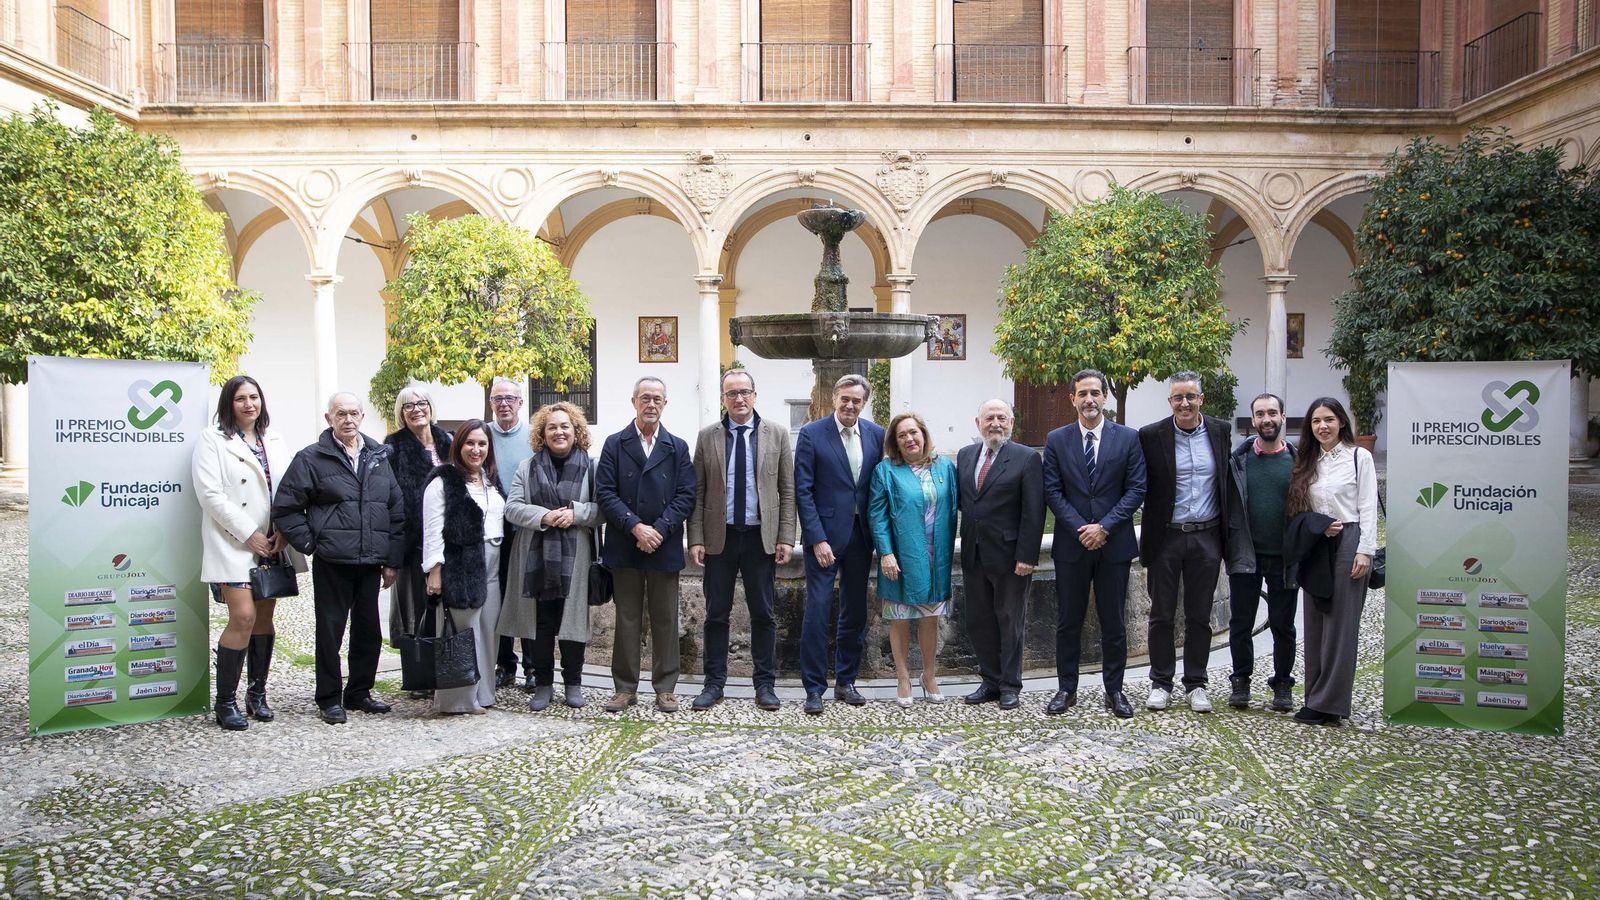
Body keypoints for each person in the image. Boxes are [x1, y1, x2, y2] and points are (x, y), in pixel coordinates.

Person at [272, 393, 405, 725]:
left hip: (371, 560)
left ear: (362, 416)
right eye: (341, 413)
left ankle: (359, 692)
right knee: (330, 632)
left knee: (369, 631)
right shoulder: (311, 458)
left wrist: (391, 559)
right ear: (329, 418)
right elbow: (286, 508)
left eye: (354, 413)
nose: (349, 419)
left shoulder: (378, 456)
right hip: (333, 560)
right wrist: (312, 542)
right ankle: (329, 698)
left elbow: (396, 509)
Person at [193, 375, 305, 730]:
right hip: (233, 540)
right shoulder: (213, 440)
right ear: (229, 403)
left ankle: (257, 695)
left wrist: (284, 531)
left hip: (272, 541)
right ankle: (224, 701)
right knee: (241, 617)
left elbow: (289, 488)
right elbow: (211, 495)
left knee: (264, 619)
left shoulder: (274, 438)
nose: (249, 404)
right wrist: (249, 533)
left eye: (254, 397)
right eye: (240, 398)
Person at [687, 370, 796, 712]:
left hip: (759, 538)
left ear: (755, 395)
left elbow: (787, 489)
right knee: (716, 614)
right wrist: (696, 537)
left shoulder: (776, 434)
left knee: (763, 613)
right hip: (720, 539)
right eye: (731, 393)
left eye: (744, 392)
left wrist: (786, 536)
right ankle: (713, 683)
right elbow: (698, 491)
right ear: (723, 398)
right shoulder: (708, 437)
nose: (738, 399)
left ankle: (765, 685)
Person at [1042, 369, 1147, 719]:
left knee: (1113, 621)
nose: (1089, 399)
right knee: (1067, 621)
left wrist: (1104, 527)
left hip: (1114, 545)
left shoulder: (1128, 438)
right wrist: (1080, 529)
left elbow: (1136, 489)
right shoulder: (1057, 440)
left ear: (1105, 397)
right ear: (1072, 398)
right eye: (1082, 393)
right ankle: (1066, 689)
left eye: (1095, 393)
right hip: (1072, 547)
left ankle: (1114, 691)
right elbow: (1053, 492)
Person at [1137, 371, 1243, 714]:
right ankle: (1161, 682)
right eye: (1178, 398)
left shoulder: (1220, 431)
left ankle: (1196, 683)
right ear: (1170, 402)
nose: (1184, 403)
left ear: (1201, 399)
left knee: (1200, 615)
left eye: (1190, 397)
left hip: (1207, 536)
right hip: (1166, 536)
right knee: (1161, 614)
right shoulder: (1151, 435)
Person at [595, 377, 696, 714]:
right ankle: (624, 687)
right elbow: (605, 492)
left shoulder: (677, 447)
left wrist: (660, 530)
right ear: (633, 401)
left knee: (666, 619)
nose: (651, 404)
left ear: (665, 404)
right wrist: (636, 527)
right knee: (626, 619)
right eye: (645, 398)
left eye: (657, 399)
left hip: (663, 546)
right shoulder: (614, 443)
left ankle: (665, 688)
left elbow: (686, 495)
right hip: (626, 544)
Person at [794, 373, 885, 715]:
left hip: (862, 538)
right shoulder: (812, 434)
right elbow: (803, 490)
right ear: (833, 398)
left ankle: (846, 681)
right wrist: (816, 539)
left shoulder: (876, 435)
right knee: (817, 613)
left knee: (855, 613)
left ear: (864, 403)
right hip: (824, 539)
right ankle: (814, 688)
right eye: (844, 399)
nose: (850, 405)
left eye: (856, 400)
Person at [502, 401, 601, 712]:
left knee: (573, 625)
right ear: (542, 434)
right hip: (537, 557)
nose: (559, 431)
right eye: (552, 427)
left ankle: (573, 684)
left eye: (565, 426)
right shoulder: (526, 468)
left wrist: (577, 514)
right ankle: (543, 684)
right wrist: (545, 517)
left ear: (576, 432)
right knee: (542, 625)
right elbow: (512, 507)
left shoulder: (592, 467)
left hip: (576, 557)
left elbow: (603, 509)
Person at [1285, 396, 1377, 726]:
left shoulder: (1358, 458)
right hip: (1317, 545)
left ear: (1341, 422)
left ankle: (1331, 704)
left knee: (1340, 627)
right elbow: (1299, 510)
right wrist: (1316, 526)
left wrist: (1365, 550)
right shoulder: (1307, 461)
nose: (1322, 426)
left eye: (1329, 419)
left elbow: (1367, 507)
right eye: (1315, 421)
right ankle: (1314, 697)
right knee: (1314, 623)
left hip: (1348, 542)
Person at [955, 399, 1045, 711]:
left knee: (1010, 621)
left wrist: (1027, 556)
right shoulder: (966, 456)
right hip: (974, 553)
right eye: (989, 417)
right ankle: (990, 681)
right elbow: (965, 503)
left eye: (1002, 418)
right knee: (979, 621)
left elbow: (1034, 512)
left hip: (1010, 558)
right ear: (977, 422)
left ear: (1011, 422)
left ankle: (1010, 685)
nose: (996, 423)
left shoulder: (1026, 458)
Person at [868, 412, 958, 707]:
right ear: (895, 442)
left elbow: (955, 507)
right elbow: (877, 514)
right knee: (900, 617)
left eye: (913, 433)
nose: (909, 439)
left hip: (937, 556)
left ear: (924, 434)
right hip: (902, 555)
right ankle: (904, 677)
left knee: (930, 616)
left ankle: (929, 675)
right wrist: (886, 553)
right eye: (902, 435)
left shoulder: (944, 467)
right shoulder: (887, 470)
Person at [421, 419, 506, 715]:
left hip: (493, 563)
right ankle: (458, 699)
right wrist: (434, 570)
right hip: (461, 565)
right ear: (458, 446)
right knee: (462, 631)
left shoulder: (490, 479)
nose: (476, 449)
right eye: (470, 443)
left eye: (482, 444)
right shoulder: (443, 481)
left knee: (488, 631)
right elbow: (432, 529)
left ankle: (483, 694)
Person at [1224, 392, 1299, 712]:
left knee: (1284, 624)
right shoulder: (1237, 461)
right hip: (1245, 553)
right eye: (1259, 414)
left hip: (1285, 556)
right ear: (1252, 420)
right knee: (1241, 623)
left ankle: (1282, 683)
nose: (1266, 419)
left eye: (1272, 413)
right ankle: (1241, 680)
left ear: (1283, 417)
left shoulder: (1299, 461)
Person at [383, 383, 452, 697]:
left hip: (448, 539)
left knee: (444, 607)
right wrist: (392, 554)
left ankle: (446, 670)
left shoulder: (447, 440)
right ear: (401, 413)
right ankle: (419, 677)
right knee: (414, 609)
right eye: (408, 406)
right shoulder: (393, 446)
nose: (416, 409)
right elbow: (390, 500)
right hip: (412, 542)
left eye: (421, 403)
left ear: (431, 407)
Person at [486, 377, 537, 691]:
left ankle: (533, 667)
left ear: (521, 402)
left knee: (527, 600)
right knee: (500, 599)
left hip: (527, 529)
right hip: (494, 532)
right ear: (491, 404)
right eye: (497, 398)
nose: (504, 404)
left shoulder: (534, 436)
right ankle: (505, 664)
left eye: (510, 398)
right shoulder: (483, 435)